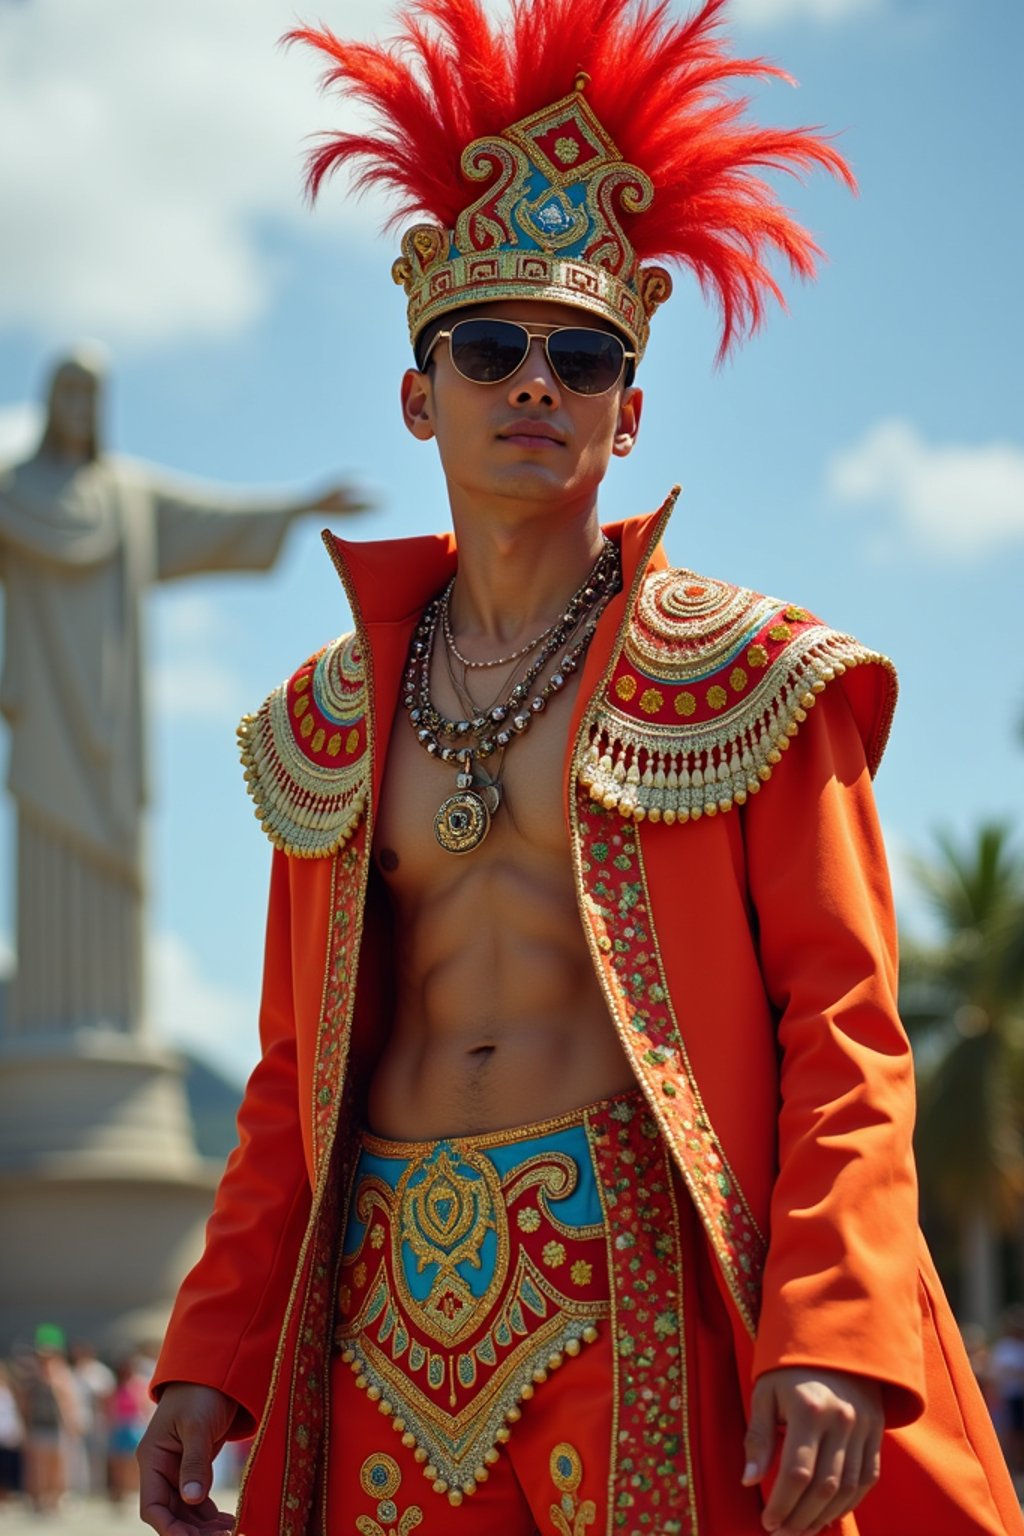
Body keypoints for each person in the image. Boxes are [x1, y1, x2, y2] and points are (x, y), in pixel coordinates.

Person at [138, 1, 1023, 1533]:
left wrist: (825, 1328)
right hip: (382, 1307)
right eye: (490, 348)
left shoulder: (746, 676)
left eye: (583, 355)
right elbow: (289, 1085)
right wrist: (207, 1357)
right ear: (421, 396)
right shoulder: (326, 723)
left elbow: (847, 1030)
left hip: (641, 1289)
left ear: (629, 404)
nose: (534, 382)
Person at [0, 345, 368, 1038]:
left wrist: (296, 507)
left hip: (111, 722)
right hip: (46, 716)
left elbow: (212, 518)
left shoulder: (124, 497)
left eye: (90, 397)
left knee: (114, 859)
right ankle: (45, 1038)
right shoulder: (10, 497)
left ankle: (112, 1032)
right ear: (50, 404)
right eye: (68, 395)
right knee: (50, 850)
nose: (78, 411)